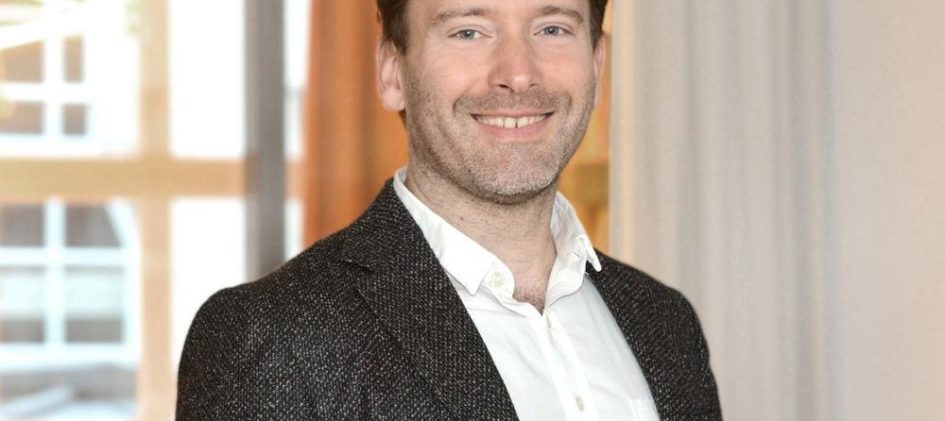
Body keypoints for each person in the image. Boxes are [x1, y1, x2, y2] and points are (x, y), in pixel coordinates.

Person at [176, 0, 722, 419]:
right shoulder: (270, 337)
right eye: (469, 31)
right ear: (393, 73)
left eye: (552, 28)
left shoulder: (666, 324)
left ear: (597, 65)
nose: (518, 73)